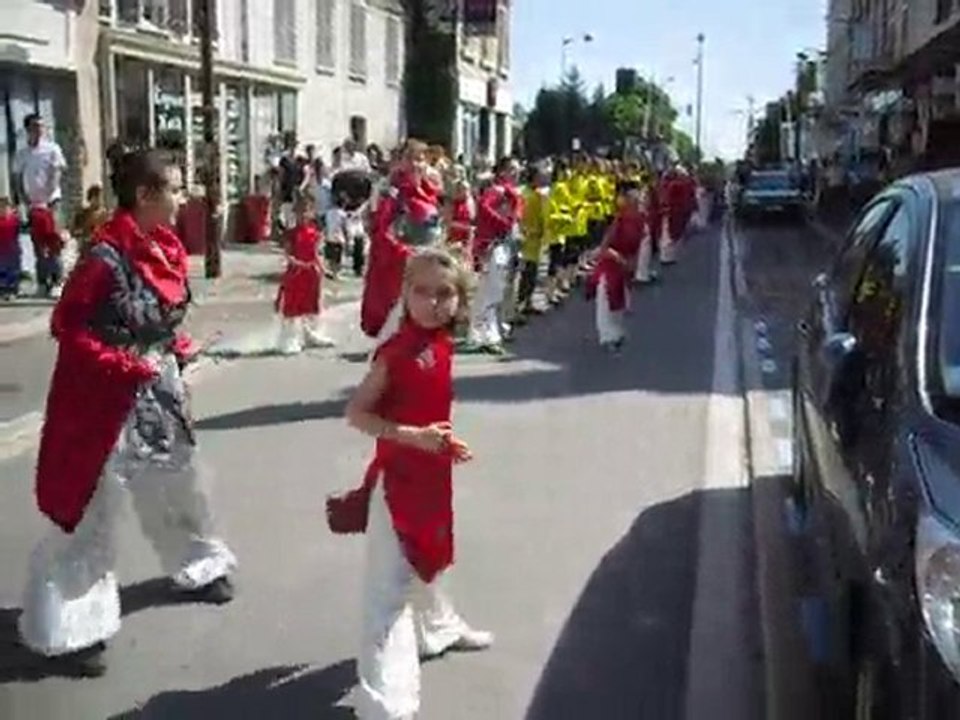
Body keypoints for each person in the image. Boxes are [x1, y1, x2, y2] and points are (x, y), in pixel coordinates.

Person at [18, 150, 237, 677]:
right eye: (176, 189)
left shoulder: (164, 245)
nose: (185, 198)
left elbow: (154, 321)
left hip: (156, 390)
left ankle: (197, 562)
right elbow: (68, 329)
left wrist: (176, 348)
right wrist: (122, 365)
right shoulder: (102, 258)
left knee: (178, 481)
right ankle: (71, 623)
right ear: (145, 196)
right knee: (95, 505)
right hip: (102, 396)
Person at [342, 247, 492, 720]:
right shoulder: (397, 352)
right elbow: (357, 415)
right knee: (388, 591)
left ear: (458, 301)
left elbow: (426, 412)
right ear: (404, 294)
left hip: (431, 474)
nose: (431, 302)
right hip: (397, 481)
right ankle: (388, 701)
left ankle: (440, 627)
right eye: (421, 291)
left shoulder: (441, 345)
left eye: (443, 294)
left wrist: (442, 443)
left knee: (431, 557)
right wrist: (415, 437)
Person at [360, 139, 442, 347]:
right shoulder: (393, 190)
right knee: (399, 311)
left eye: (421, 160)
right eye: (411, 159)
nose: (416, 164)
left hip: (425, 257)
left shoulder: (429, 190)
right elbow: (382, 229)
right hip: (400, 261)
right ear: (402, 162)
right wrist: (403, 252)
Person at [468, 156, 522, 353]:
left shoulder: (510, 192)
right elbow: (483, 208)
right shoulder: (498, 190)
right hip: (493, 245)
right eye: (512, 169)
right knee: (491, 290)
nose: (516, 173)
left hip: (505, 244)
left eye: (517, 169)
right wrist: (503, 223)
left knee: (493, 290)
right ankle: (488, 336)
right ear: (502, 172)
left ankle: (482, 333)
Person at [586, 181, 647, 351]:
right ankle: (607, 336)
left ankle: (616, 332)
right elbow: (606, 246)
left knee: (621, 301)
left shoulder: (640, 219)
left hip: (626, 265)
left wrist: (632, 263)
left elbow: (638, 245)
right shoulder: (619, 219)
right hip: (611, 265)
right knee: (607, 297)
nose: (639, 199)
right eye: (633, 196)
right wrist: (619, 258)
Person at [14, 113, 68, 298]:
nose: (39, 130)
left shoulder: (52, 149)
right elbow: (18, 179)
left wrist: (47, 195)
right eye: (35, 126)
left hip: (51, 202)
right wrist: (25, 201)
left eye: (42, 127)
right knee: (38, 246)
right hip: (33, 205)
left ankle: (58, 281)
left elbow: (57, 172)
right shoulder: (22, 154)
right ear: (28, 129)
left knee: (54, 243)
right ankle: (42, 282)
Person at [276, 195, 333, 354]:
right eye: (300, 211)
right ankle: (289, 339)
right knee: (293, 306)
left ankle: (311, 335)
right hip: (296, 273)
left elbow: (316, 253)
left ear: (311, 213)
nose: (303, 215)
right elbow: (288, 254)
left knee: (312, 304)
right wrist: (297, 263)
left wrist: (322, 269)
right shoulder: (291, 234)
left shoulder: (315, 233)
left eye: (306, 211)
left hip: (311, 272)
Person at [517, 165, 550, 317]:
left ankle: (528, 302)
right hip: (526, 240)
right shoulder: (524, 194)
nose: (542, 179)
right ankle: (519, 306)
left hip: (536, 240)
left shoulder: (538, 195)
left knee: (533, 274)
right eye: (540, 176)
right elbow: (519, 217)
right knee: (525, 274)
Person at [70, 185, 109, 260]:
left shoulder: (105, 214)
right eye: (97, 197)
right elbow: (73, 231)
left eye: (100, 197)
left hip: (100, 249)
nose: (99, 200)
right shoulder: (82, 214)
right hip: (85, 248)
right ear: (91, 198)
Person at [0, 196, 21, 298]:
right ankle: (4, 290)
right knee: (2, 272)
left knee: (13, 272)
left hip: (13, 251)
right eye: (1, 207)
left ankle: (13, 290)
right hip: (2, 252)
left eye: (5, 207)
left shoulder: (14, 220)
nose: (3, 210)